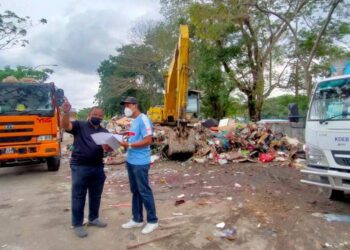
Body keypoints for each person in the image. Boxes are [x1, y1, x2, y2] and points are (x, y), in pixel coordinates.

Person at [61, 98, 111, 238]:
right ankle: (77, 224)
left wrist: (108, 148)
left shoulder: (104, 131)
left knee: (96, 195)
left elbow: (109, 149)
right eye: (95, 114)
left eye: (100, 115)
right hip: (80, 166)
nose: (97, 117)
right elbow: (65, 126)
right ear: (90, 114)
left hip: (97, 167)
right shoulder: (80, 126)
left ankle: (93, 218)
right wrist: (66, 112)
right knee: (78, 196)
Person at [118, 96, 158, 234]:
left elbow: (148, 140)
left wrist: (128, 144)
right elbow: (135, 138)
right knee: (135, 191)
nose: (126, 108)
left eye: (128, 105)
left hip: (141, 162)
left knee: (144, 191)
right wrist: (124, 139)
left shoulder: (144, 119)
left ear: (135, 105)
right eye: (125, 106)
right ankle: (137, 219)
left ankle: (152, 221)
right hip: (131, 160)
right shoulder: (133, 122)